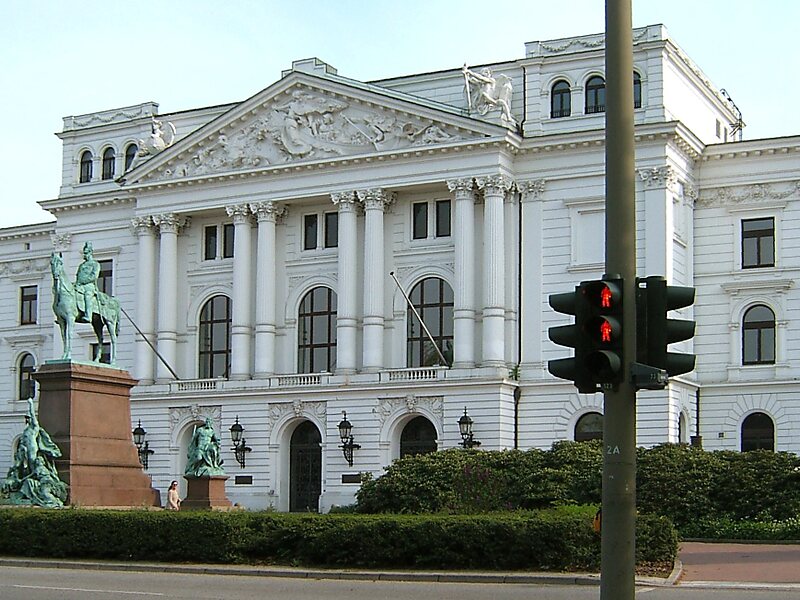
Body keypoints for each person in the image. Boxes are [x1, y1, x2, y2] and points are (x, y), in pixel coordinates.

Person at [74, 241, 100, 323]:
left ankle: (88, 315)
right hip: (79, 285)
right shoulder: (81, 265)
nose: (85, 255)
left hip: (89, 285)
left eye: (86, 253)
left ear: (90, 252)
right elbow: (78, 276)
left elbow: (94, 276)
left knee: (88, 296)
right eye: (84, 253)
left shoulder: (95, 264)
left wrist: (83, 281)